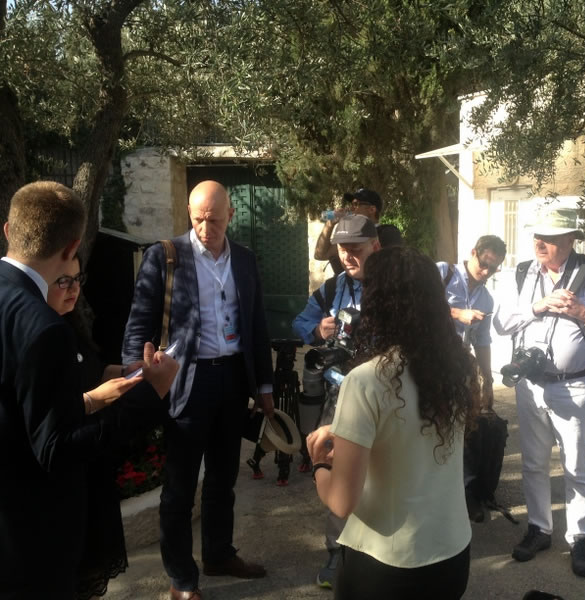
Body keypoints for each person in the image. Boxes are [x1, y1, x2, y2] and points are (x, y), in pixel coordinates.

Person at [0, 181, 177, 599]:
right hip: (30, 543)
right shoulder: (44, 327)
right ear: (72, 247)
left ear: (9, 230)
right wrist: (150, 394)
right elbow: (57, 448)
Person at [122, 180, 275, 600]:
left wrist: (264, 385)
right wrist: (136, 379)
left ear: (230, 215)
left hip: (233, 380)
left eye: (214, 219)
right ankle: (182, 580)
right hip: (187, 383)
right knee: (180, 486)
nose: (206, 228)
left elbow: (256, 324)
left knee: (224, 479)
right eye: (198, 219)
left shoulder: (244, 259)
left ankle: (219, 554)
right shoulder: (165, 256)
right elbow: (139, 324)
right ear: (190, 215)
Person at [306, 245, 479, 600]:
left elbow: (341, 501)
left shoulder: (366, 381)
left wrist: (320, 464)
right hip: (452, 557)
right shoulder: (458, 369)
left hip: (387, 566)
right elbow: (412, 436)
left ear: (378, 304)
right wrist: (347, 433)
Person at [493, 207, 585, 577]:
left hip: (575, 384)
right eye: (537, 236)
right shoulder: (521, 273)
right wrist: (538, 306)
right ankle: (539, 528)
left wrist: (583, 312)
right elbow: (501, 323)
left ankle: (579, 537)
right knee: (533, 462)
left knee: (576, 464)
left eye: (549, 237)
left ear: (570, 239)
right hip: (529, 384)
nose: (539, 243)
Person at [47, 256, 145, 600]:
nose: (73, 288)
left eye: (78, 279)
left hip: (91, 466)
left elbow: (90, 372)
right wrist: (96, 399)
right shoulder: (41, 333)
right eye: (63, 280)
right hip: (69, 464)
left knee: (89, 570)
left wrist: (125, 372)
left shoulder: (71, 323)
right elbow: (55, 410)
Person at [293, 213, 381, 589]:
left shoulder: (393, 287)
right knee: (339, 472)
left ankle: (378, 550)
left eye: (355, 248)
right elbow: (299, 323)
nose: (348, 255)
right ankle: (337, 552)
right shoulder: (331, 289)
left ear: (375, 246)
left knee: (382, 473)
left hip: (383, 395)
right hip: (339, 394)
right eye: (343, 248)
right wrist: (317, 329)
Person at [436, 234, 506, 522]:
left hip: (459, 370)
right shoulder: (444, 273)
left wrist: (487, 379)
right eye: (484, 264)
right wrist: (456, 313)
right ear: (473, 252)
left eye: (494, 268)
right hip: (427, 364)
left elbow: (482, 340)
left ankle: (465, 493)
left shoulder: (486, 298)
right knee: (428, 428)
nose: (487, 272)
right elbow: (414, 302)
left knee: (462, 431)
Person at [314, 188, 382, 275]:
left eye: (356, 204)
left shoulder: (386, 233)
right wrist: (329, 224)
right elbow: (320, 255)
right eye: (351, 205)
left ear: (371, 210)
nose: (351, 208)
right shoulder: (352, 235)